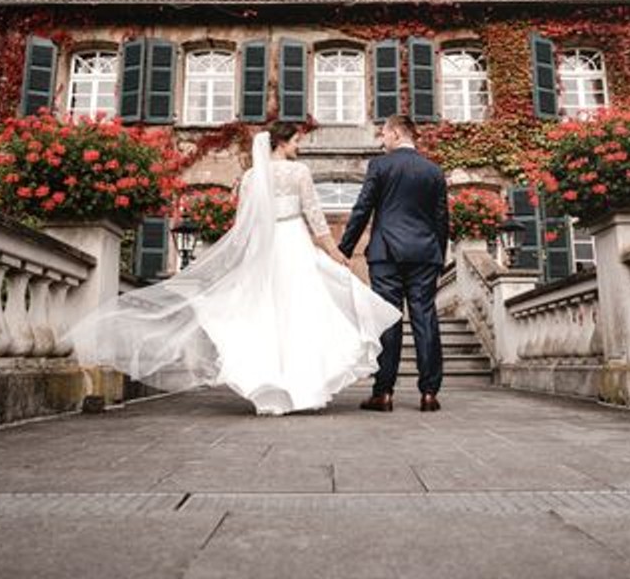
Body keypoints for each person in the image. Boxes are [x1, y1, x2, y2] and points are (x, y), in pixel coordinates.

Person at [60, 121, 401, 416]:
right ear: (282, 143)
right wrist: (337, 255)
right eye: (296, 141)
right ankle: (303, 390)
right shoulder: (299, 173)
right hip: (294, 246)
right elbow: (315, 218)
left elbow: (245, 225)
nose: (299, 147)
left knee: (266, 318)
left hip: (266, 252)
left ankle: (272, 393)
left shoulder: (252, 177)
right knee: (300, 316)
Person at [339, 114, 449, 413]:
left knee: (388, 319)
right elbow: (441, 219)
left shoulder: (380, 166)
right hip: (425, 254)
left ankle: (383, 392)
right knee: (425, 319)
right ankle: (429, 393)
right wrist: (438, 256)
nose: (381, 139)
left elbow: (362, 209)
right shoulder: (434, 171)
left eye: (384, 133)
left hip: (386, 254)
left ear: (398, 133)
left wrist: (344, 249)